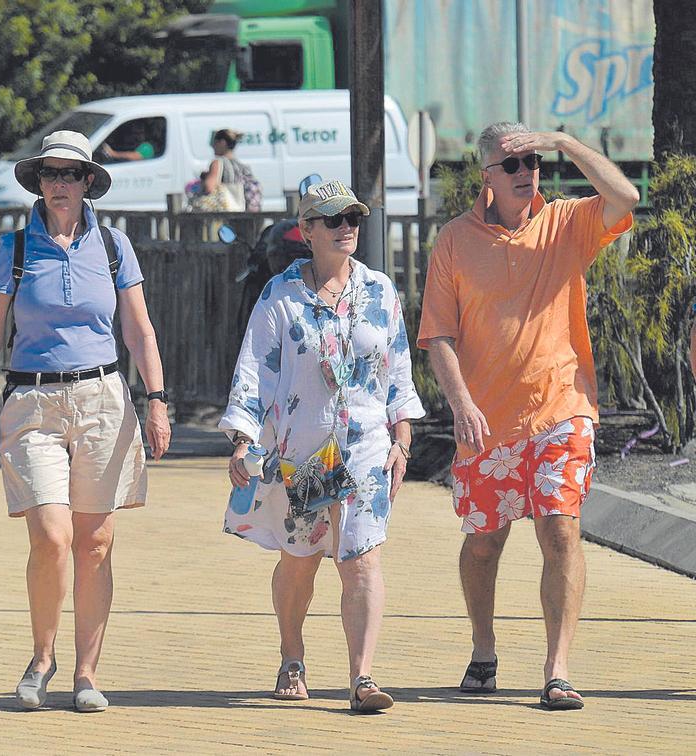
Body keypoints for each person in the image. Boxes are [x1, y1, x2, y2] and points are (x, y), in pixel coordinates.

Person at [417, 122, 637, 710]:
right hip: (486, 418)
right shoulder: (455, 241)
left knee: (560, 526)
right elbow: (438, 335)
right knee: (485, 541)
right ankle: (483, 648)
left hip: (562, 406)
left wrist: (566, 142)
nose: (525, 173)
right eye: (511, 164)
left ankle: (557, 670)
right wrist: (461, 405)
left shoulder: (565, 221)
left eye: (533, 162)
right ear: (486, 175)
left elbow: (626, 199)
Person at [0, 130, 171, 713]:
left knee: (96, 540)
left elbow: (138, 329)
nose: (59, 184)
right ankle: (42, 657)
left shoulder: (113, 246)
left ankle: (87, 673)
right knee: (51, 536)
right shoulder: (12, 250)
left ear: (88, 182)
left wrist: (155, 399)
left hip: (104, 399)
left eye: (70, 173)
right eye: (50, 173)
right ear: (39, 181)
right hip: (31, 403)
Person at [220, 180, 424, 712]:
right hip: (304, 452)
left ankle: (362, 678)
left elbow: (398, 369)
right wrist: (242, 439)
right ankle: (292, 655)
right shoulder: (280, 295)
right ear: (307, 230)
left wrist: (402, 438)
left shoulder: (380, 291)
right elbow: (253, 371)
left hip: (364, 453)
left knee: (361, 560)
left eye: (353, 217)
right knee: (300, 561)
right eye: (332, 220)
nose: (346, 228)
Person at [204, 129, 250, 212]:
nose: (212, 146)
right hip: (242, 211)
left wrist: (204, 180)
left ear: (222, 143)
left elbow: (209, 187)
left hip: (224, 213)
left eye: (214, 143)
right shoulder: (242, 166)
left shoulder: (217, 163)